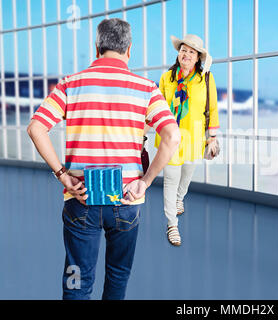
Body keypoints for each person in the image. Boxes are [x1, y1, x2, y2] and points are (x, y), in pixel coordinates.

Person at [27, 18, 180, 300]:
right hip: (126, 201)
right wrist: (144, 182)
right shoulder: (146, 88)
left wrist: (62, 174)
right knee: (118, 276)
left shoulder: (70, 85)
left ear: (97, 47)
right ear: (129, 50)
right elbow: (172, 136)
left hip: (80, 199)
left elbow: (36, 127)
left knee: (76, 279)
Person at [148, 34, 220, 246]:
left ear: (198, 57)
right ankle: (172, 224)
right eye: (183, 50)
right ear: (178, 54)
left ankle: (180, 198)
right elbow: (157, 107)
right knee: (170, 179)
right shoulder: (166, 78)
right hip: (170, 138)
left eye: (191, 51)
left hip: (194, 138)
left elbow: (212, 109)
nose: (186, 54)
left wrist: (212, 138)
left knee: (186, 175)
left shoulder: (206, 79)